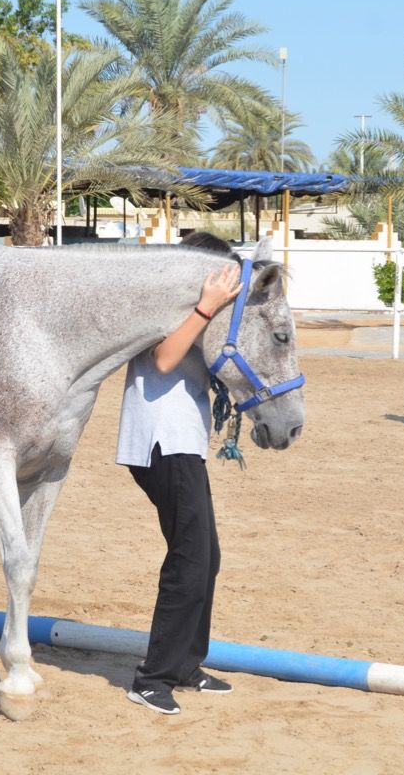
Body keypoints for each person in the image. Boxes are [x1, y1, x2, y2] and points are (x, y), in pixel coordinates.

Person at [118, 231, 243, 715]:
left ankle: (187, 664)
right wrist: (207, 307)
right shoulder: (167, 305)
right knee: (189, 561)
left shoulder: (186, 306)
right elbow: (165, 359)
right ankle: (151, 678)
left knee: (207, 557)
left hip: (183, 443)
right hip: (160, 443)